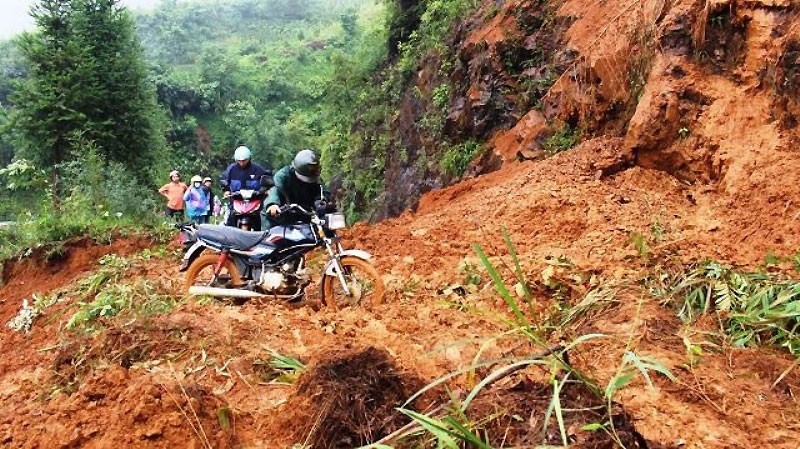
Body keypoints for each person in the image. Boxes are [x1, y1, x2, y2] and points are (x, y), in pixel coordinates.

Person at [265, 149, 331, 225]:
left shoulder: (315, 178)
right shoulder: (282, 176)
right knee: (271, 235)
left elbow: (323, 190)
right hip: (280, 215)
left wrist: (321, 201)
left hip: (305, 215)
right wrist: (272, 204)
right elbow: (274, 190)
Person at [220, 146, 271, 230]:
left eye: (244, 160)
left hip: (255, 200)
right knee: (229, 220)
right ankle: (229, 238)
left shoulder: (258, 169)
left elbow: (267, 180)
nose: (242, 163)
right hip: (237, 200)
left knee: (264, 219)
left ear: (249, 158)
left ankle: (264, 236)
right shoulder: (231, 169)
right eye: (239, 161)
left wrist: (265, 190)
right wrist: (226, 190)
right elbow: (224, 180)